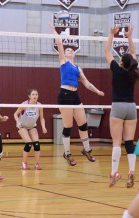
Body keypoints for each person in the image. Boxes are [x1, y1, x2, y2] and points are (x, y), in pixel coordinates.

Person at [49, 22, 105, 166]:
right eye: (68, 50)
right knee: (68, 125)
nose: (70, 51)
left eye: (72, 50)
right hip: (65, 95)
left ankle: (87, 150)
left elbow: (86, 83)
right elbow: (60, 43)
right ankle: (67, 153)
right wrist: (54, 30)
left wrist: (97, 91)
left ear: (74, 54)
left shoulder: (78, 68)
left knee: (83, 124)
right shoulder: (63, 62)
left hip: (75, 96)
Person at [105, 26, 139, 188]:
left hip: (118, 107)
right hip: (132, 108)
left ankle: (114, 173)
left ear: (120, 62)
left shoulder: (116, 69)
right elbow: (133, 53)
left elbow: (107, 52)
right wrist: (130, 37)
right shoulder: (133, 71)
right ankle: (132, 171)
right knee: (129, 142)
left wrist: (111, 35)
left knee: (116, 142)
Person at [14, 89, 47, 170]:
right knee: (29, 144)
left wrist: (43, 127)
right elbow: (15, 114)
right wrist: (18, 122)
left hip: (32, 126)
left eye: (36, 94)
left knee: (37, 144)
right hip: (22, 126)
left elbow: (42, 118)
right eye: (33, 94)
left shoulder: (39, 106)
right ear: (29, 96)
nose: (35, 96)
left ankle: (37, 163)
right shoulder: (24, 104)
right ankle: (24, 163)